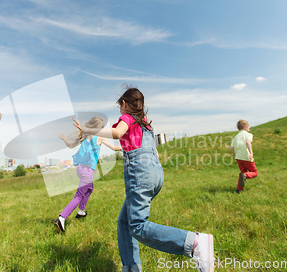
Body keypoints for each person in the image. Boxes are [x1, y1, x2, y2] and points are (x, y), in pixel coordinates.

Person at [73, 86, 214, 272]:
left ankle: (195, 242)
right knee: (125, 222)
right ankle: (131, 267)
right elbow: (151, 150)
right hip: (155, 174)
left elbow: (117, 133)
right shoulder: (146, 124)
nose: (120, 111)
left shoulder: (127, 118)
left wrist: (86, 129)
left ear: (124, 104)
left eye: (120, 107)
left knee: (137, 225)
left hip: (140, 174)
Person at [55, 117, 122, 233]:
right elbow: (114, 148)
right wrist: (126, 147)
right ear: (96, 128)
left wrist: (64, 139)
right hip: (87, 171)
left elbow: (70, 145)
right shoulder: (100, 137)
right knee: (78, 195)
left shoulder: (84, 137)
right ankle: (62, 218)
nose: (102, 130)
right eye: (101, 128)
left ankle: (81, 212)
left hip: (80, 169)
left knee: (89, 188)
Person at [229, 119, 258, 193]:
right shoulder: (248, 135)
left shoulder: (236, 137)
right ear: (245, 127)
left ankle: (239, 189)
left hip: (238, 158)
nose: (249, 129)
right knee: (254, 172)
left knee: (242, 172)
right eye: (248, 127)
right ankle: (245, 176)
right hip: (246, 157)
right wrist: (251, 153)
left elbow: (231, 148)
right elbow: (248, 142)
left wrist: (235, 154)